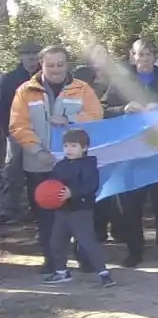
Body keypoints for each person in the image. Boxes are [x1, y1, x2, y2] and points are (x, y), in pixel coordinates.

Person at [9, 46, 105, 276]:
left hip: (75, 166)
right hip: (40, 164)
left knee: (79, 215)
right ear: (40, 64)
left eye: (60, 65)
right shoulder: (25, 91)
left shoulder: (82, 89)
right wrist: (36, 150)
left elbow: (96, 116)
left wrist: (69, 118)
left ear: (67, 64)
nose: (55, 69)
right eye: (50, 65)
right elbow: (18, 126)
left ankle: (86, 260)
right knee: (46, 218)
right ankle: (53, 263)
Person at [102, 39, 158, 267]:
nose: (145, 58)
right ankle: (134, 251)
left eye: (149, 54)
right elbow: (103, 111)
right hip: (131, 155)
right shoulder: (118, 86)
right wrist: (123, 109)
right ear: (132, 57)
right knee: (130, 206)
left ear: (154, 57)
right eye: (140, 54)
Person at [44, 128, 113, 287]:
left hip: (81, 211)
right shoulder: (60, 165)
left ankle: (104, 274)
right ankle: (61, 272)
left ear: (84, 148)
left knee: (87, 243)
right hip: (61, 211)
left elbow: (91, 186)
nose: (69, 149)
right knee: (56, 242)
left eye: (74, 146)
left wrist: (72, 193)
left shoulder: (89, 165)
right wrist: (48, 196)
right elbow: (52, 185)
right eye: (66, 145)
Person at [1, 40, 41, 220]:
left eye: (34, 55)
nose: (31, 59)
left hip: (42, 132)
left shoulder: (46, 76)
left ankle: (39, 207)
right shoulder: (10, 79)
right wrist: (9, 132)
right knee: (13, 170)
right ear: (21, 57)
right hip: (16, 131)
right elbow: (2, 107)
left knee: (40, 171)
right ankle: (10, 210)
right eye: (27, 55)